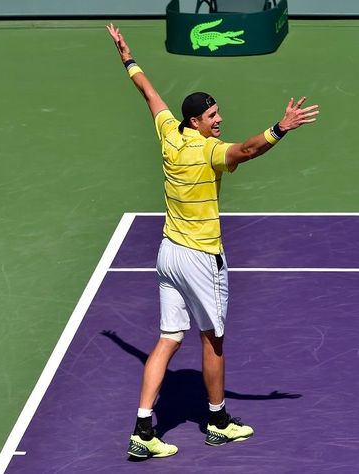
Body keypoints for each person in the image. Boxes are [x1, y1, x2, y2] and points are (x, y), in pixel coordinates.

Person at [105, 23, 319, 459]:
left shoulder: (169, 134)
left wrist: (128, 58)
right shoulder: (208, 152)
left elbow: (149, 93)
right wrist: (281, 127)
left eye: (218, 114)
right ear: (196, 121)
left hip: (168, 255)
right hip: (202, 258)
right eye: (213, 117)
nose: (219, 120)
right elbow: (247, 151)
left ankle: (143, 429)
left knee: (167, 339)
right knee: (212, 339)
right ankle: (218, 422)